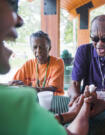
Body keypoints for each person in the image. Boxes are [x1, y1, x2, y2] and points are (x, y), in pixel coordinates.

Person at [0, 0, 95, 135]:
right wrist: (80, 109)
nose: (20, 20)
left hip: (55, 105)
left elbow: (53, 88)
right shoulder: (16, 103)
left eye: (42, 47)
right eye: (12, 4)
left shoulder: (57, 62)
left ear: (49, 48)